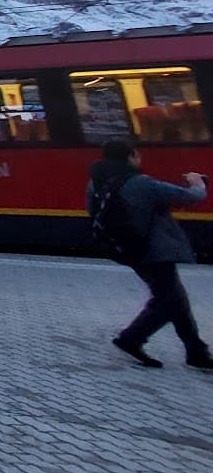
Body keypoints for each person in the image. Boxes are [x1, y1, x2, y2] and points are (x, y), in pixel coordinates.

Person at [87, 139, 213, 369]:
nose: (139, 159)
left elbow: (92, 211)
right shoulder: (138, 182)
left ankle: (196, 352)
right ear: (130, 156)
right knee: (169, 301)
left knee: (175, 298)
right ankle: (131, 338)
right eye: (137, 155)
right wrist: (197, 183)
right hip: (153, 249)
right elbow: (192, 197)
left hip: (127, 248)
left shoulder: (95, 183)